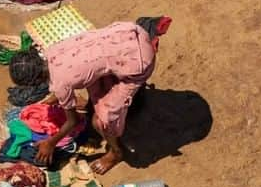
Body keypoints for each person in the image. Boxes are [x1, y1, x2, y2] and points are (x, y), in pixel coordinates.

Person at [25, 19, 166, 174]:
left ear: (37, 81)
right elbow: (75, 68)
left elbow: (73, 121)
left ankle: (116, 153)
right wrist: (59, 97)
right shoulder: (52, 51)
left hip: (139, 59)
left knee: (101, 121)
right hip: (128, 32)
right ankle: (129, 93)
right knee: (95, 75)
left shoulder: (59, 84)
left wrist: (50, 143)